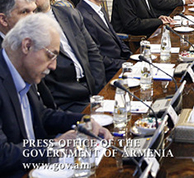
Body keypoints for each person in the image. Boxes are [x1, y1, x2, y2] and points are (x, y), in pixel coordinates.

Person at [0, 14, 112, 178]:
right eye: (50, 55)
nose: (53, 66)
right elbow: (3, 156)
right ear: (27, 46)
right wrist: (56, 146)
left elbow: (41, 116)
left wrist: (84, 122)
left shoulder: (24, 72)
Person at [18, 0, 106, 112]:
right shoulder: (24, 29)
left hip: (91, 90)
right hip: (64, 101)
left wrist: (99, 91)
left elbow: (93, 52)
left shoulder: (70, 14)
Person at [75, 0, 132, 81]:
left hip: (120, 64)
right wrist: (124, 64)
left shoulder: (98, 9)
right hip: (108, 73)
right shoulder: (83, 16)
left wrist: (131, 57)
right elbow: (96, 57)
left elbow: (115, 37)